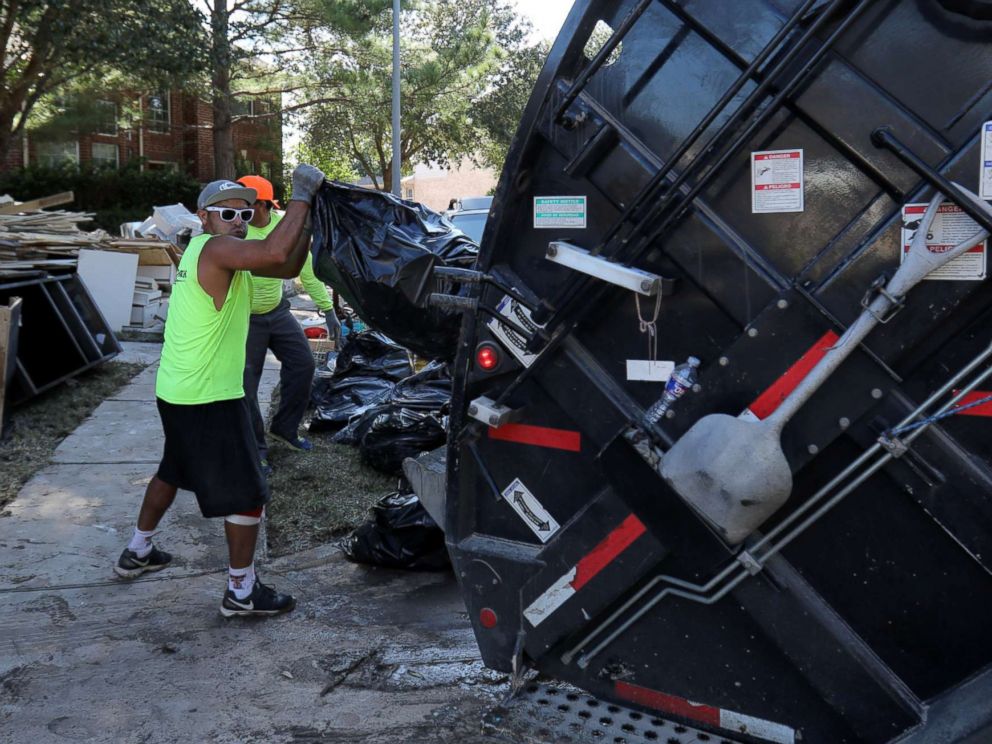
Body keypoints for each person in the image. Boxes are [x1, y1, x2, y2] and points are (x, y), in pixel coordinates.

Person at [113, 165, 326, 618]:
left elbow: (284, 262)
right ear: (203, 216)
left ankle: (138, 550)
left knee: (172, 470)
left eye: (245, 213)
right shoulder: (216, 249)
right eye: (226, 212)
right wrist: (303, 196)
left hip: (179, 389)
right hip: (209, 395)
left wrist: (306, 223)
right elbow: (274, 250)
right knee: (249, 492)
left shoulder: (215, 252)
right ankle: (241, 592)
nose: (237, 220)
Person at [237, 174, 339, 472]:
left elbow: (305, 271)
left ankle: (284, 428)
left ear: (264, 204)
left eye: (248, 205)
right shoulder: (237, 232)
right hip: (246, 320)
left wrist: (328, 309)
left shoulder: (283, 226)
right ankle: (255, 450)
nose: (242, 212)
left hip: (278, 312)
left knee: (304, 364)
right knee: (246, 386)